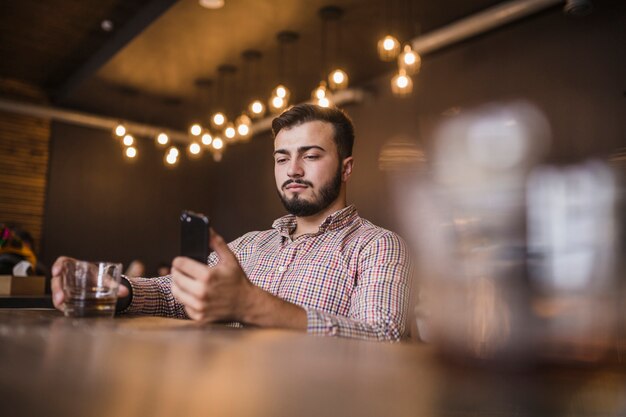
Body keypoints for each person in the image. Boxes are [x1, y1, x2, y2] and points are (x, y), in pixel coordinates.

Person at [51, 104, 411, 341]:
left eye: (311, 155)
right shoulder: (252, 244)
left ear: (347, 167)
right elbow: (173, 293)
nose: (293, 171)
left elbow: (382, 337)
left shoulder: (376, 244)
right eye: (282, 158)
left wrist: (251, 304)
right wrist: (120, 289)